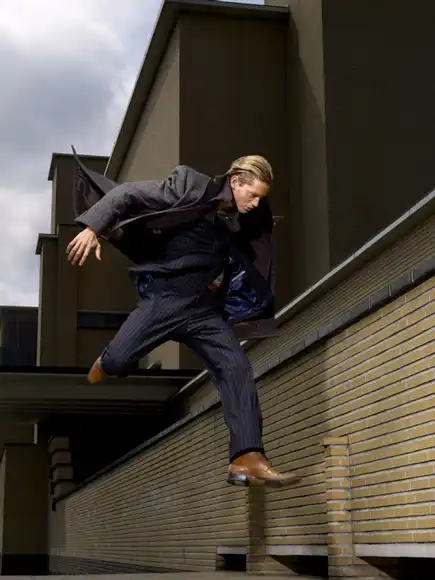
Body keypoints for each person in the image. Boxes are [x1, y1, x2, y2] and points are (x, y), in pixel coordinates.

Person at [66, 151, 301, 488]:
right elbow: (128, 194)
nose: (255, 203)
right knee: (118, 361)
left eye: (260, 198)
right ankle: (106, 360)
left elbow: (251, 252)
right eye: (252, 195)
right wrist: (93, 228)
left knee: (236, 368)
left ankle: (246, 458)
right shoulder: (190, 185)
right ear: (236, 181)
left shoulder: (248, 216)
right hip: (166, 299)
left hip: (205, 311)